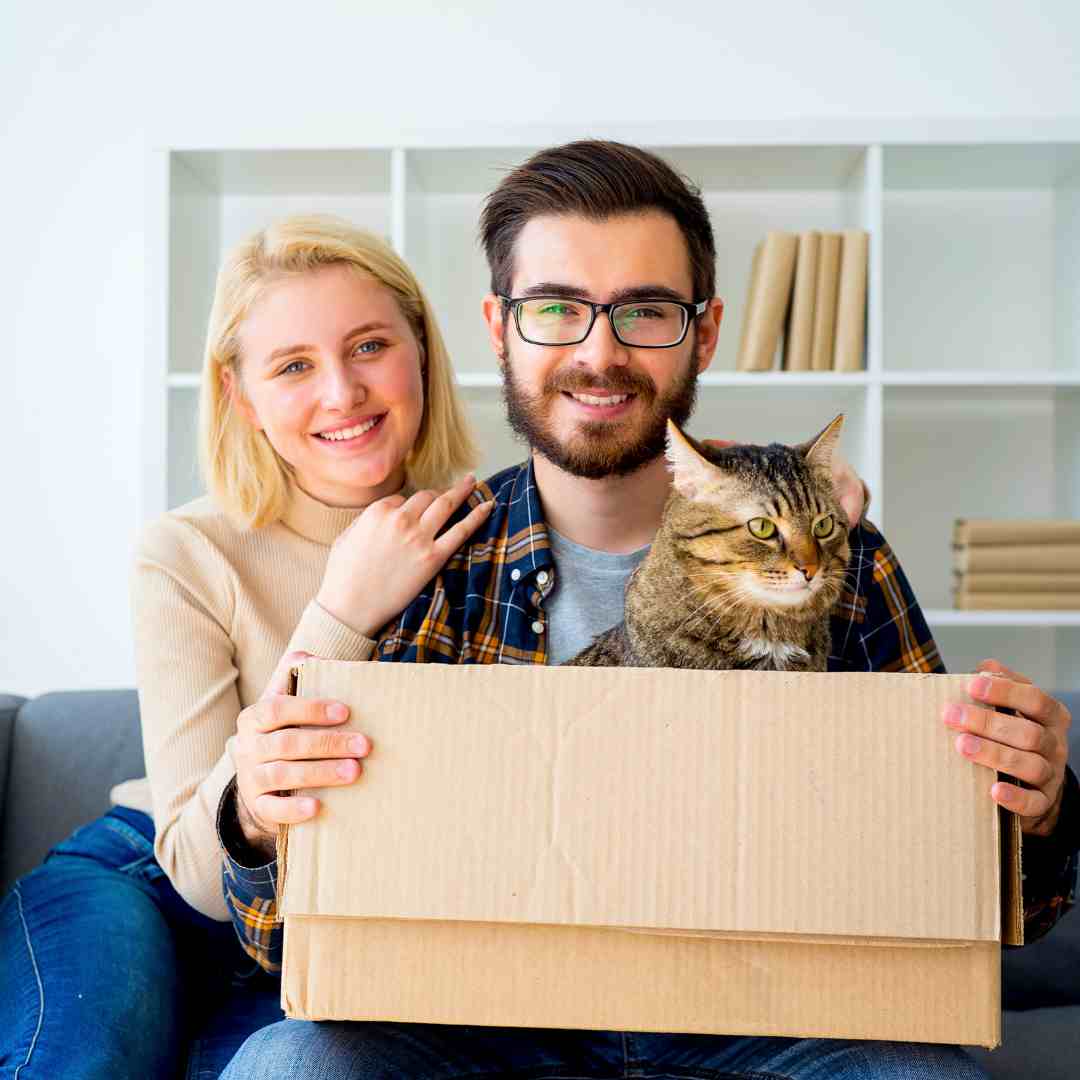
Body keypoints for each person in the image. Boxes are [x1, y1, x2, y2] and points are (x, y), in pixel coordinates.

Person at [217, 142, 1080, 1079]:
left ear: (704, 333)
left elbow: (1000, 906)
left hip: (779, 1023)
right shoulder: (429, 565)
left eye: (646, 311)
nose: (599, 351)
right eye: (554, 308)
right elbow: (276, 937)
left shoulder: (833, 551)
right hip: (482, 1023)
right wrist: (262, 823)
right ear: (498, 329)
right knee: (291, 1064)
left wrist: (1033, 806)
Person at [0, 215, 490, 1079]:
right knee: (84, 1059)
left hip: (324, 920)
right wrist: (343, 609)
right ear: (240, 395)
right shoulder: (186, 552)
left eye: (370, 345)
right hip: (145, 881)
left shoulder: (495, 536)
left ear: (421, 351)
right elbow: (195, 867)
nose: (342, 392)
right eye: (294, 365)